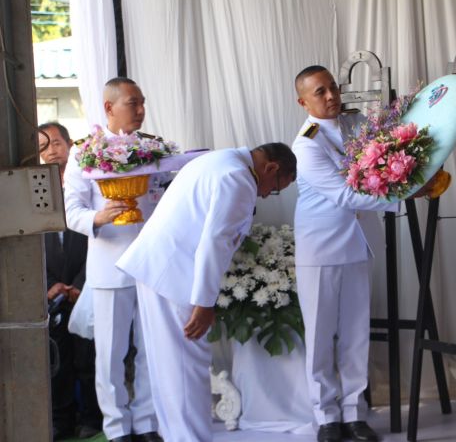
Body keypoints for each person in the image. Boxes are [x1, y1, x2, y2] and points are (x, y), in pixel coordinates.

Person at [115, 143, 296, 442]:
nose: (266, 195)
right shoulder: (238, 178)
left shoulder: (219, 160)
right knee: (186, 370)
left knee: (168, 369)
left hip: (158, 269)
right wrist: (204, 303)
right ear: (271, 168)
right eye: (275, 188)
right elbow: (215, 243)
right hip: (176, 276)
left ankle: (177, 437)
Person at [292, 65, 400, 442]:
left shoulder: (357, 125)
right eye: (320, 92)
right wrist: (402, 197)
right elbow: (343, 194)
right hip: (320, 248)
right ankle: (326, 417)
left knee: (356, 334)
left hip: (357, 241)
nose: (331, 96)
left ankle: (355, 413)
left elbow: (383, 161)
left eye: (333, 88)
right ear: (303, 102)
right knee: (320, 337)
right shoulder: (306, 143)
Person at [63, 77, 162, 442]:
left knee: (151, 349)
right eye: (133, 103)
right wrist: (98, 217)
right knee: (110, 354)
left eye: (142, 102)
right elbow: (70, 210)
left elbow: (161, 196)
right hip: (110, 263)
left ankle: (147, 421)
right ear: (109, 107)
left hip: (151, 262)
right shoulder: (83, 151)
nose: (141, 110)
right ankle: (117, 427)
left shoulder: (153, 147)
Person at [40, 122, 102, 440]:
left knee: (88, 356)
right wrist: (49, 284)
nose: (51, 150)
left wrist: (81, 283)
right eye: (43, 146)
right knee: (58, 360)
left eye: (56, 142)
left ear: (68, 144)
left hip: (87, 283)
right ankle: (61, 421)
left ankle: (92, 418)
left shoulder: (90, 182)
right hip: (52, 290)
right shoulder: (36, 191)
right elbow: (30, 246)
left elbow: (100, 236)